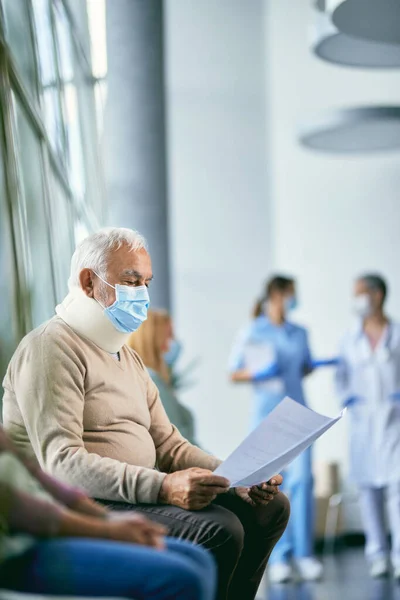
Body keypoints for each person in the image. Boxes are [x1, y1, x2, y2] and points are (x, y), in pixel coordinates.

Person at [2, 227, 289, 600]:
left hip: (129, 492)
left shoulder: (128, 357)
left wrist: (237, 476)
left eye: (145, 283)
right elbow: (63, 463)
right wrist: (164, 486)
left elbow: (168, 444)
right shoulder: (51, 347)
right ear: (89, 282)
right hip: (87, 500)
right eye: (130, 281)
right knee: (222, 530)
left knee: (269, 509)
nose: (142, 295)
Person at [0, 426, 216, 600]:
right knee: (180, 578)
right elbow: (22, 508)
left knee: (197, 557)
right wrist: (108, 530)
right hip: (15, 549)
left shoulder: (135, 373)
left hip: (49, 526)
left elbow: (38, 476)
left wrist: (107, 517)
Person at [229, 275, 332, 584]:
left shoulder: (299, 333)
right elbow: (235, 372)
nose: (293, 300)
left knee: (303, 482)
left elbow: (305, 366)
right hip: (267, 418)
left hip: (299, 416)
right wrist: (258, 372)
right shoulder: (252, 331)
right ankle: (279, 557)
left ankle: (304, 555)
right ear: (275, 294)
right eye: (290, 294)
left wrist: (310, 366)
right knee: (272, 487)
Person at [336, 273, 400, 579]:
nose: (356, 300)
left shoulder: (397, 332)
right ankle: (377, 553)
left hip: (394, 422)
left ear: (377, 295)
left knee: (398, 489)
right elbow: (340, 376)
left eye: (360, 293)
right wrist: (346, 398)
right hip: (363, 423)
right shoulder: (350, 338)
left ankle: (399, 555)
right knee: (367, 489)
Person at [127, 309, 200, 446]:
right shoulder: (152, 381)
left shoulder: (145, 377)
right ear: (152, 341)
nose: (173, 343)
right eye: (169, 336)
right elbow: (175, 441)